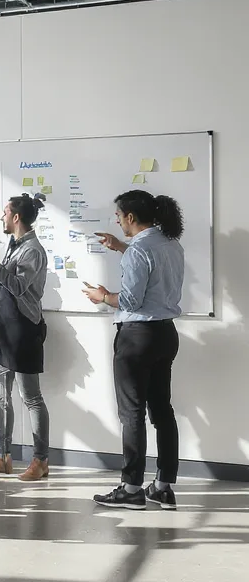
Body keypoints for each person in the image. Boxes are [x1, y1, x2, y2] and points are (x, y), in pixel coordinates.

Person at [82, 190, 185, 510]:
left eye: (118, 215)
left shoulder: (139, 250)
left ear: (130, 217)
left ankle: (131, 489)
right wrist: (121, 247)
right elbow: (150, 269)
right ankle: (163, 487)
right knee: (162, 411)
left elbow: (129, 301)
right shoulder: (170, 243)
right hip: (165, 334)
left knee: (132, 414)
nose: (116, 221)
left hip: (137, 338)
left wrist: (102, 297)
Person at [0, 194, 52, 482]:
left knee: (31, 398)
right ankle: (2, 456)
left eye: (5, 213)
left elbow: (17, 286)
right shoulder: (15, 246)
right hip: (3, 329)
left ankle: (40, 460)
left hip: (23, 330)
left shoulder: (33, 250)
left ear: (16, 217)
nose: (2, 218)